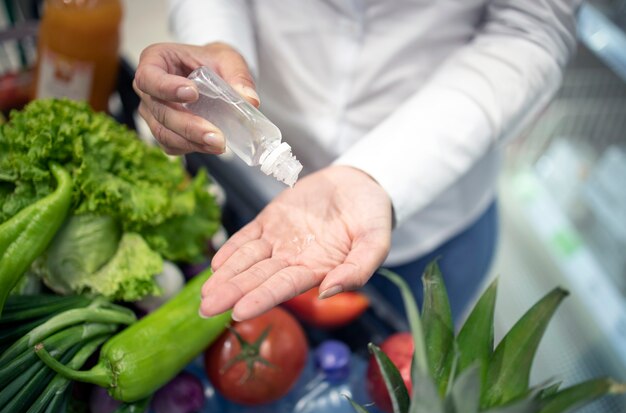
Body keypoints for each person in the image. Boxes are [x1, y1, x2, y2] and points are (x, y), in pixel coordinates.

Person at [133, 0, 581, 323]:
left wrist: (379, 173)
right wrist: (214, 49)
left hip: (431, 217)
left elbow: (531, 28)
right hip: (260, 213)